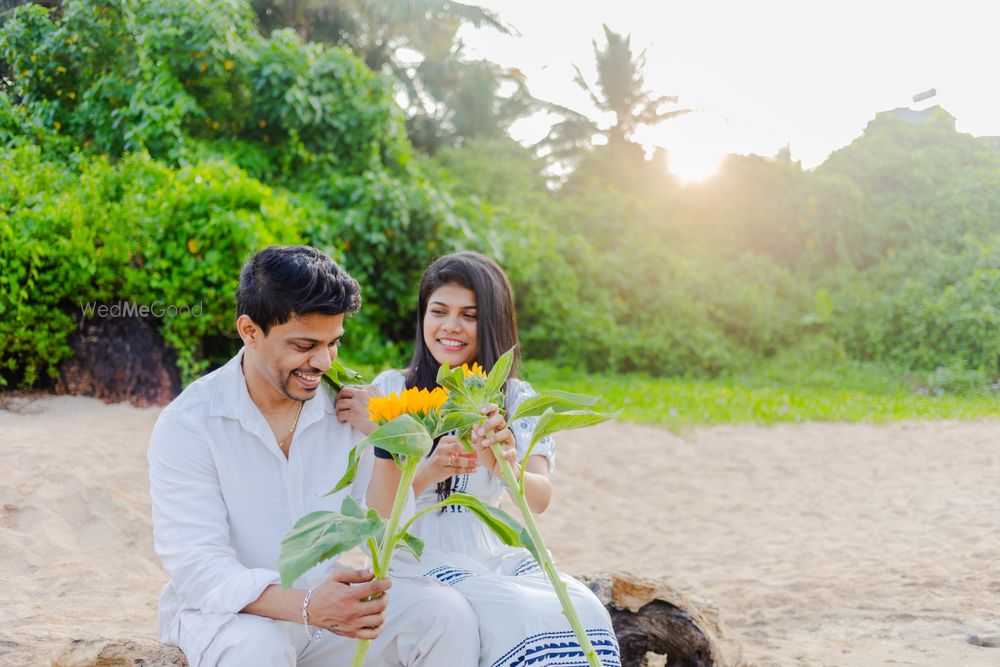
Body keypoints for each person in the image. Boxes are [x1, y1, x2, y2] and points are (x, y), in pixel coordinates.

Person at [148, 245, 479, 667]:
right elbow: (199, 569)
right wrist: (307, 605)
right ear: (249, 330)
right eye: (305, 345)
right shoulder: (190, 424)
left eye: (333, 343)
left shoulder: (347, 409)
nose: (322, 361)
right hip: (229, 616)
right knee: (259, 648)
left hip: (326, 612)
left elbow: (387, 541)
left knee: (445, 615)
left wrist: (386, 440)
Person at [336, 251, 622, 667]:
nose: (450, 326)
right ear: (423, 318)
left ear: (491, 323)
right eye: (439, 311)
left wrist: (500, 463)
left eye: (469, 315)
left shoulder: (513, 398)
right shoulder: (392, 391)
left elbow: (539, 499)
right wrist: (427, 463)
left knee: (584, 608)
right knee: (513, 614)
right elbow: (380, 512)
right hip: (416, 551)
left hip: (491, 549)